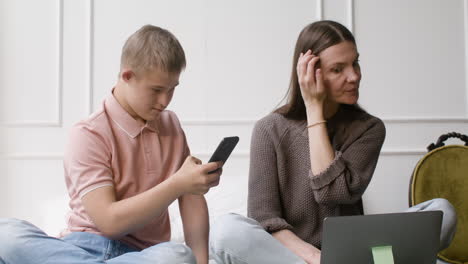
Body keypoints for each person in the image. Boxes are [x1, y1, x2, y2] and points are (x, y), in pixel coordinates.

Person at [209, 20, 457, 264]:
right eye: (338, 69)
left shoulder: (369, 128)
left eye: (355, 63)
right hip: (295, 256)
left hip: (353, 252)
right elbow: (265, 221)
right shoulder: (269, 129)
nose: (354, 76)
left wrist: (314, 112)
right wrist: (317, 258)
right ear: (308, 74)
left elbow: (332, 192)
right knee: (226, 231)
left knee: (442, 211)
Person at [0, 25, 223, 264]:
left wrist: (201, 262)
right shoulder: (88, 133)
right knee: (6, 234)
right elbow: (108, 222)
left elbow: (190, 199)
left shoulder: (171, 125)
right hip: (84, 247)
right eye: (156, 90)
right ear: (127, 76)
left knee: (177, 256)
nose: (164, 101)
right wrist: (177, 184)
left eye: (172, 90)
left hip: (143, 255)